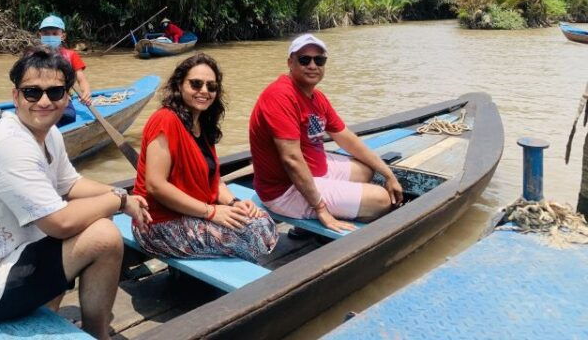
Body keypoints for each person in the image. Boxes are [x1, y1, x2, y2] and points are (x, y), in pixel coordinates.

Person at [0, 47, 150, 339]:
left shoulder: (50, 135)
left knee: (95, 215)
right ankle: (98, 333)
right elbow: (59, 224)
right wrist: (120, 201)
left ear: (67, 96)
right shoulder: (10, 144)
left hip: (8, 259)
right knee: (104, 235)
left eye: (55, 92)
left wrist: (124, 193)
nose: (44, 101)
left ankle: (50, 314)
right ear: (16, 97)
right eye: (32, 93)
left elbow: (70, 184)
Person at [249, 33, 403, 233]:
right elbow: (292, 160)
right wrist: (321, 209)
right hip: (284, 190)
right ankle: (316, 224)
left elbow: (347, 139)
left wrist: (388, 174)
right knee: (381, 200)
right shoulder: (280, 96)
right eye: (305, 60)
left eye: (319, 60)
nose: (313, 65)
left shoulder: (316, 97)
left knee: (366, 169)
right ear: (290, 62)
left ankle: (334, 204)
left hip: (312, 171)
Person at [132, 53, 278, 261]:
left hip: (194, 212)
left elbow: (213, 180)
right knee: (253, 236)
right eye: (196, 84)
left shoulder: (202, 124)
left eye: (211, 87)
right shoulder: (164, 120)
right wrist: (210, 212)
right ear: (179, 85)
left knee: (262, 220)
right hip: (157, 223)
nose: (204, 91)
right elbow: (156, 185)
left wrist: (234, 202)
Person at [38, 15, 90, 125]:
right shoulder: (34, 55)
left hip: (62, 98)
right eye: (46, 33)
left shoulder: (71, 55)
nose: (50, 36)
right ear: (40, 35)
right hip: (38, 98)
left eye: (55, 33)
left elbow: (81, 79)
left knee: (68, 117)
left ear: (63, 36)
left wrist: (85, 92)